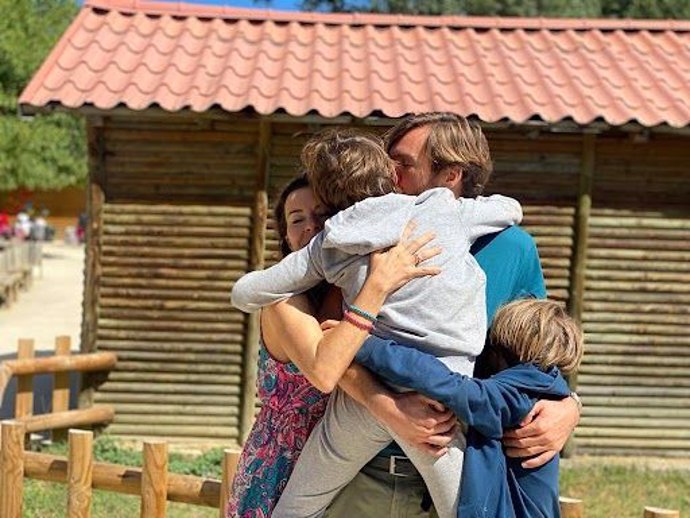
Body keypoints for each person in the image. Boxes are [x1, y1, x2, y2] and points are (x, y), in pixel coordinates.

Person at [232, 129, 522, 518]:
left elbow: (244, 294)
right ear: (389, 172)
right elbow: (510, 208)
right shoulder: (438, 209)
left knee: (296, 510)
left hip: (369, 395)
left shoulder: (331, 243)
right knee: (468, 510)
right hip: (444, 392)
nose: (310, 226)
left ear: (330, 199)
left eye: (316, 214)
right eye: (296, 219)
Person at [324, 112, 581, 518]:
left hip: (464, 481)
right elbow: (318, 341)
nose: (388, 175)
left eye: (404, 164)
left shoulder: (514, 250)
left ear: (451, 176)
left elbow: (539, 359)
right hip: (360, 474)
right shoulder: (363, 235)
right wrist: (384, 403)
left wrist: (569, 406)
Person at [226, 174, 441, 518]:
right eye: (297, 220)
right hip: (285, 461)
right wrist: (378, 285)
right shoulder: (282, 299)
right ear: (285, 236)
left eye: (323, 215)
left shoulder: (340, 291)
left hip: (344, 462)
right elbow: (326, 372)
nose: (312, 226)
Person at [354, 298, 584, 518]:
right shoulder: (545, 388)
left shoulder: (520, 395)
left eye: (494, 346)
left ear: (513, 351)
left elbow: (450, 386)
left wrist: (364, 345)